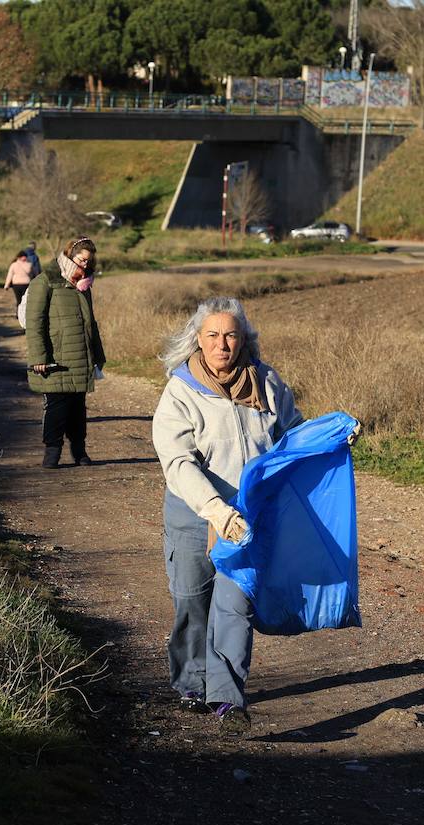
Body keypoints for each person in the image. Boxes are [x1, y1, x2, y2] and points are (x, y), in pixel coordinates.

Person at [150, 297, 305, 735]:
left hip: (248, 518)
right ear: (198, 340)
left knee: (235, 605)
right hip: (194, 512)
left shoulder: (266, 382)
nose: (222, 344)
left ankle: (226, 698)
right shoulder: (181, 390)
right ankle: (191, 682)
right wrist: (215, 511)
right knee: (191, 600)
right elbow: (178, 462)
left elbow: (292, 436)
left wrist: (330, 438)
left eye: (231, 335)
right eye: (213, 335)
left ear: (244, 340)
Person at [25, 237, 104, 468]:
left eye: (88, 261)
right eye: (81, 259)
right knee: (57, 407)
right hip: (55, 356)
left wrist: (97, 354)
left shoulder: (84, 285)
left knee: (78, 408)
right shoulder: (44, 281)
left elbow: (91, 323)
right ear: (69, 255)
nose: (85, 265)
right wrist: (39, 357)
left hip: (80, 354)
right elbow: (35, 322)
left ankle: (79, 451)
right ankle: (52, 451)